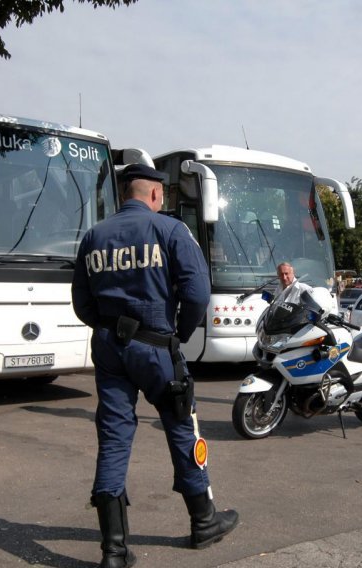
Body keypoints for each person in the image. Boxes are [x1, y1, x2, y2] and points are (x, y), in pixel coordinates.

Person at [71, 163, 238, 568]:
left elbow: (82, 303)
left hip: (110, 350)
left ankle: (113, 552)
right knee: (181, 426)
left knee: (113, 439)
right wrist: (177, 332)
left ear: (125, 194)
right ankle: (204, 520)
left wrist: (111, 330)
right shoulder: (170, 230)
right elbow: (197, 292)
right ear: (155, 195)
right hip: (157, 347)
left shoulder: (93, 237)